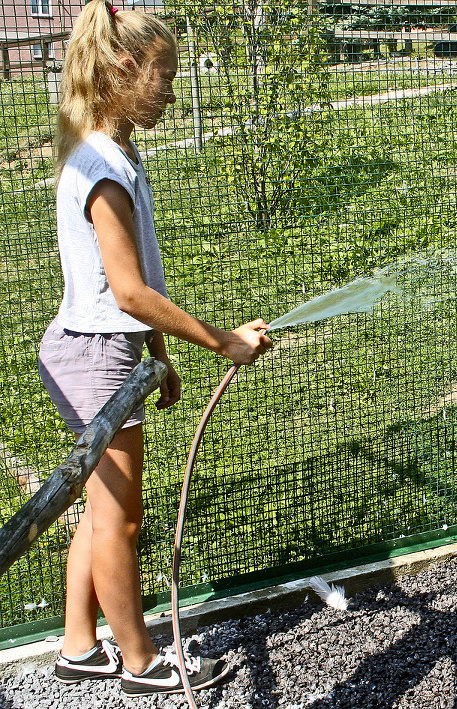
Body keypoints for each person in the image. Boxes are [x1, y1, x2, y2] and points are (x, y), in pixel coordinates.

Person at [40, 0, 272, 698]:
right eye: (162, 76)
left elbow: (125, 293)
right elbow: (131, 291)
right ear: (121, 69)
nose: (171, 90)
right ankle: (142, 662)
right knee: (122, 518)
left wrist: (159, 360)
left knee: (97, 507)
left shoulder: (109, 151)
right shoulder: (103, 167)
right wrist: (219, 341)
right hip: (98, 354)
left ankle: (80, 645)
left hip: (97, 349)